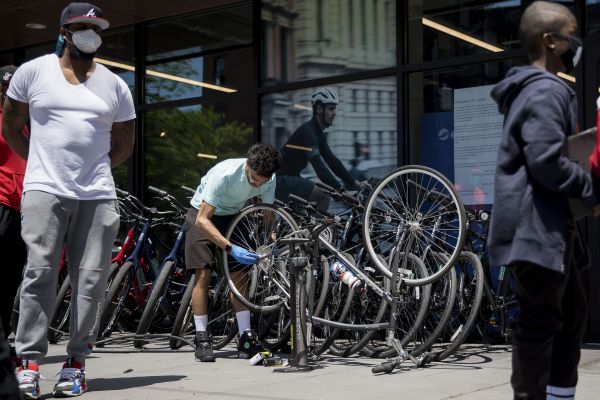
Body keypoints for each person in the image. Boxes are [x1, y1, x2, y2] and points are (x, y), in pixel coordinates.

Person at [1, 2, 136, 398]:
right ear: (64, 31)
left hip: (96, 193)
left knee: (90, 279)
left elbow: (125, 142)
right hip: (44, 189)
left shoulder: (114, 84)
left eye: (96, 28)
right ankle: (27, 362)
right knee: (39, 273)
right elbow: (11, 124)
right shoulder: (33, 72)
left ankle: (76, 362)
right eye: (82, 27)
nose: (90, 34)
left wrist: (93, 170)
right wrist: (41, 163)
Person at [487, 2, 597, 399]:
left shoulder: (537, 92)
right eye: (572, 36)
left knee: (570, 317)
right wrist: (590, 189)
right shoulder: (545, 92)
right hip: (537, 228)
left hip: (549, 225)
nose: (575, 46)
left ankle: (558, 393)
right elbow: (546, 162)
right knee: (541, 324)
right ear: (550, 41)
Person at [184, 143, 282, 362]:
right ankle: (202, 337)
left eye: (261, 183)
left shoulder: (269, 180)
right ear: (248, 165)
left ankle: (245, 336)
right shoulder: (225, 174)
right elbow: (202, 219)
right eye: (254, 179)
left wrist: (269, 242)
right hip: (203, 215)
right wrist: (230, 247)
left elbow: (268, 215)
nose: (257, 185)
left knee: (240, 274)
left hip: (233, 216)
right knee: (203, 273)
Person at [276, 87, 369, 210]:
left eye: (335, 108)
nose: (334, 112)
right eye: (331, 108)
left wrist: (356, 184)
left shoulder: (317, 133)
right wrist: (341, 192)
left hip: (290, 178)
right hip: (281, 179)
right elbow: (320, 168)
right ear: (319, 109)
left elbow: (333, 162)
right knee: (323, 196)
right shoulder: (308, 131)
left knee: (304, 217)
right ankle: (318, 230)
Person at [0, 65, 28, 357]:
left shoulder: (27, 124)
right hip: (1, 203)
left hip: (23, 208)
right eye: (6, 86)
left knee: (11, 277)